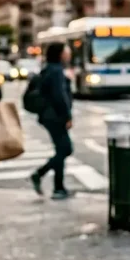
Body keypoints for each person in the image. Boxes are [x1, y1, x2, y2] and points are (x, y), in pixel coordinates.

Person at [30, 42, 74, 200]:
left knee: (61, 150)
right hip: (55, 116)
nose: (69, 53)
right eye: (66, 50)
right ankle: (40, 174)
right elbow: (59, 96)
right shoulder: (56, 71)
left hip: (49, 116)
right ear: (60, 53)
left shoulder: (49, 68)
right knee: (66, 149)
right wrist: (67, 116)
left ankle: (59, 187)